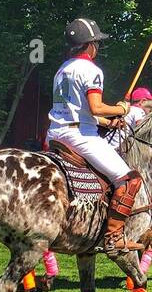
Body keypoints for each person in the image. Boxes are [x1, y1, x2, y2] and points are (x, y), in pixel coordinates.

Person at [46, 18, 143, 257]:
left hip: (55, 134)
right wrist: (122, 109)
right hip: (80, 136)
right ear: (89, 45)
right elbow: (96, 107)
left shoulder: (62, 69)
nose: (97, 47)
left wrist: (107, 122)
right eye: (97, 43)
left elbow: (80, 110)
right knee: (130, 180)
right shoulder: (91, 70)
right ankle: (114, 236)